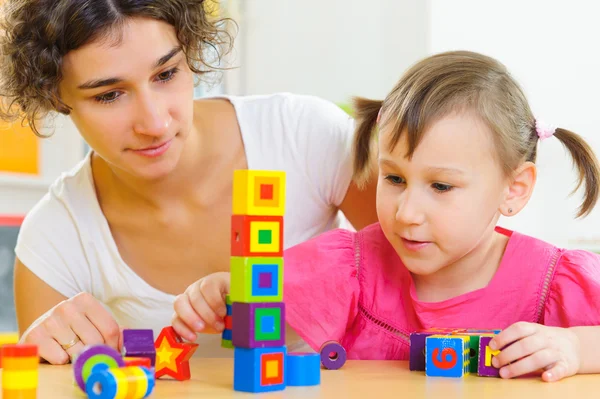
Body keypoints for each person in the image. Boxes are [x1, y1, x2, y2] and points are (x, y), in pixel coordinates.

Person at [173, 50, 600, 382]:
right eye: (393, 178)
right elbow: (270, 312)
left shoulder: (557, 281)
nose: (406, 212)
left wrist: (577, 348)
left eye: (441, 186)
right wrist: (227, 293)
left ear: (514, 189)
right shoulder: (348, 266)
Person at [0, 0, 378, 364]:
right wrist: (51, 354)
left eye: (166, 74)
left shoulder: (305, 135)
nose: (155, 123)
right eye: (109, 95)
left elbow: (423, 286)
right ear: (54, 96)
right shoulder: (53, 237)